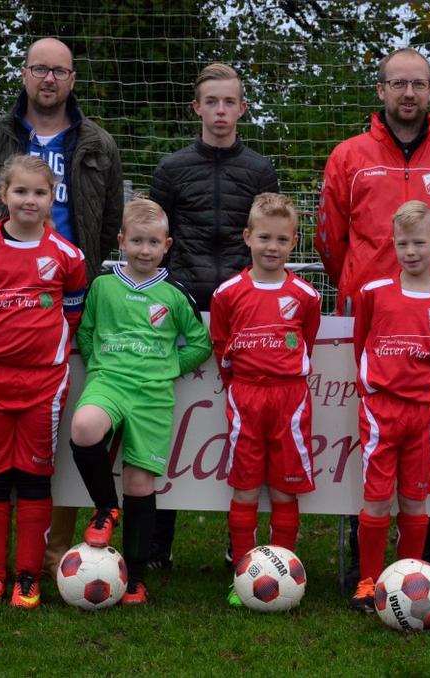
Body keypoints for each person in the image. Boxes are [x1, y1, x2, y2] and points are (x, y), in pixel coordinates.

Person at [0, 37, 124, 579]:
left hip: (65, 309)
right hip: (1, 319)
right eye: (38, 69)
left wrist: (76, 308)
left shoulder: (97, 142)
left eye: (59, 71)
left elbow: (110, 215)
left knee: (49, 441)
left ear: (73, 79)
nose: (48, 79)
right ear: (24, 74)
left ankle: (52, 558)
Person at [315, 47, 430, 580]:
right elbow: (330, 237)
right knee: (367, 431)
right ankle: (358, 556)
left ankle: (428, 554)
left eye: (419, 84)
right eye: (398, 84)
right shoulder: (348, 155)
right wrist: (363, 283)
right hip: (373, 319)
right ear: (381, 91)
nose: (408, 94)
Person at [148, 62, 279, 570]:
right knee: (169, 423)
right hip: (182, 307)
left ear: (242, 108)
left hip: (243, 312)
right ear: (196, 107)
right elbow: (156, 239)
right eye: (212, 102)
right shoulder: (172, 168)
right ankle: (158, 543)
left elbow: (268, 230)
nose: (221, 110)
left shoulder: (260, 170)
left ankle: (238, 543)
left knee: (239, 432)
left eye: (230, 102)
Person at [0, 155, 87, 609]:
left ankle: (27, 578)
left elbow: (72, 312)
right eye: (21, 191)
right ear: (4, 195)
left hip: (43, 384)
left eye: (40, 192)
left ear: (52, 199)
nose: (30, 200)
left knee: (33, 476)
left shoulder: (67, 256)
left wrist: (47, 350)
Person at [68, 198, 212, 604]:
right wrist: (100, 366)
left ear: (167, 244)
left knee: (140, 481)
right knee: (83, 428)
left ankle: (134, 576)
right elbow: (87, 330)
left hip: (152, 395)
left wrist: (168, 366)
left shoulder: (173, 293)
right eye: (136, 241)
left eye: (152, 242)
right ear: (121, 242)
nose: (144, 250)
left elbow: (201, 342)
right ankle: (104, 509)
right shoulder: (102, 285)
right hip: (109, 382)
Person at [348, 201, 430, 613]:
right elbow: (361, 343)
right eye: (402, 244)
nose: (410, 251)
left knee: (416, 499)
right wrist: (374, 389)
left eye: (418, 243)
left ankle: (408, 576)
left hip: (424, 414)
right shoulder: (373, 294)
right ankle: (367, 581)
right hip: (381, 411)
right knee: (377, 498)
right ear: (392, 245)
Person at [210, 193, 321, 606]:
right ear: (247, 237)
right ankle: (244, 572)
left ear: (294, 243)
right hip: (246, 396)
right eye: (264, 238)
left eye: (281, 239)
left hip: (289, 398)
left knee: (284, 489)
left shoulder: (306, 295)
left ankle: (286, 570)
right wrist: (241, 382)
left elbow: (306, 339)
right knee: (244, 486)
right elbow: (222, 344)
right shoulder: (227, 293)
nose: (272, 248)